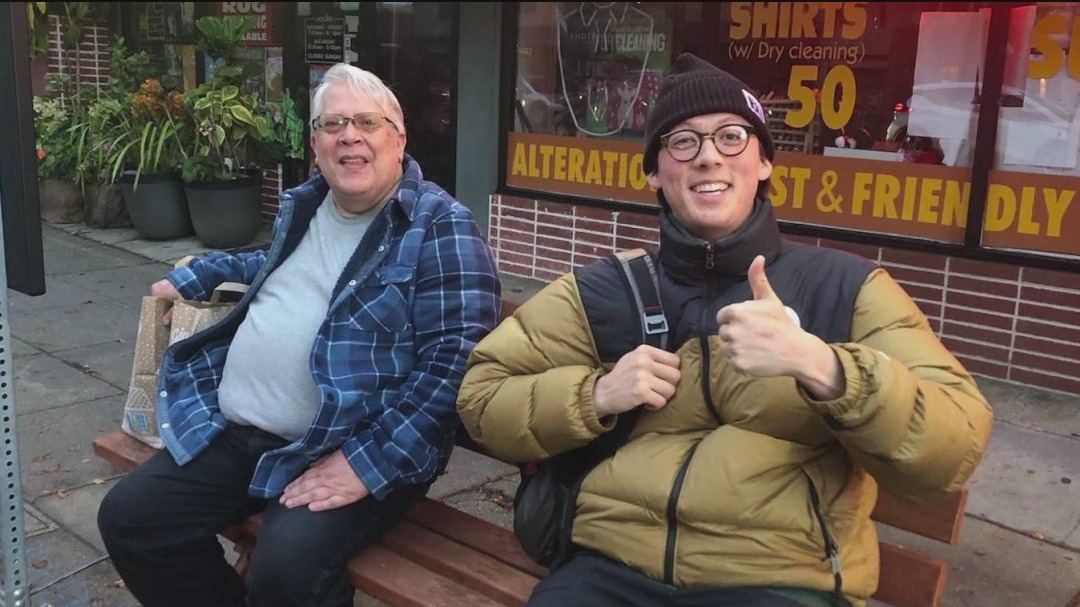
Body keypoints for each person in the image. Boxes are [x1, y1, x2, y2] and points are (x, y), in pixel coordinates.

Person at [456, 53, 993, 607]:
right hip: (610, 567)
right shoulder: (605, 290)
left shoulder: (845, 288)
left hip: (777, 581)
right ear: (654, 173)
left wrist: (825, 367)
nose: (709, 156)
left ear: (763, 162)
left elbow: (954, 446)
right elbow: (481, 397)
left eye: (732, 136)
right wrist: (595, 394)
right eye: (682, 142)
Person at [98, 62, 501, 607]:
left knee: (285, 570)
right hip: (243, 433)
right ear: (315, 145)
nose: (349, 135)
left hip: (350, 445)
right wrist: (196, 275)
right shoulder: (309, 206)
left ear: (399, 137)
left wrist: (368, 462)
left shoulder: (440, 225)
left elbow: (458, 359)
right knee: (132, 519)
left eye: (367, 121)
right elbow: (270, 264)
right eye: (332, 125)